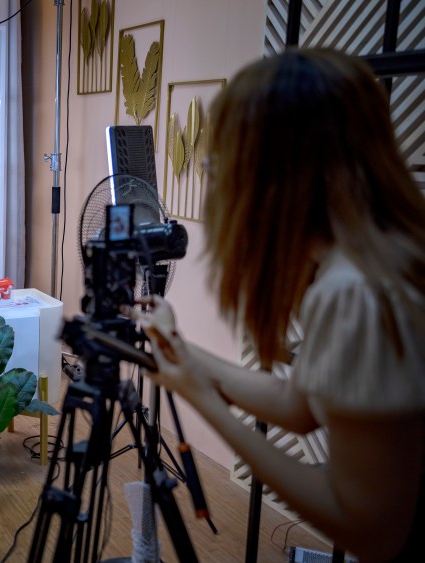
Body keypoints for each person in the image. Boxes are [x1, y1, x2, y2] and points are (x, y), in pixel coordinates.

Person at [126, 49, 425, 562]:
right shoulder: (374, 256)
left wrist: (201, 396)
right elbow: (300, 406)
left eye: (221, 159)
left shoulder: (354, 291)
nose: (212, 173)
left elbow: (370, 531)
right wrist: (181, 351)